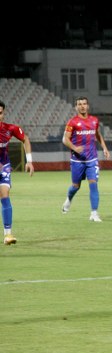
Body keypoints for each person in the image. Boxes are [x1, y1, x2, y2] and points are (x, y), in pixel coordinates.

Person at [61, 97, 110, 222]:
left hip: (92, 159)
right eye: (79, 104)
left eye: (84, 104)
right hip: (77, 160)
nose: (82, 106)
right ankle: (69, 199)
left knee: (93, 184)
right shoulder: (72, 122)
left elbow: (98, 134)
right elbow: (65, 139)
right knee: (75, 186)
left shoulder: (94, 120)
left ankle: (94, 213)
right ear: (76, 107)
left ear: (88, 106)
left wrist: (104, 148)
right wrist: (74, 148)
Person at [0, 101, 34, 245]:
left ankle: (8, 234)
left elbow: (25, 139)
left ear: (3, 113)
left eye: (0, 113)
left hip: (4, 167)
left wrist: (29, 161)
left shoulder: (10, 129)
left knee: (5, 195)